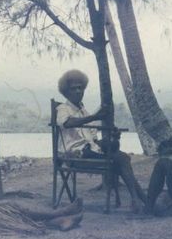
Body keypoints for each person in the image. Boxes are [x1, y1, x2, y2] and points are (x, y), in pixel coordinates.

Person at [56, 69, 146, 213]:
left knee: (121, 158)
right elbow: (67, 123)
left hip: (89, 150)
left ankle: (138, 199)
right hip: (75, 154)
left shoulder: (83, 110)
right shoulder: (63, 108)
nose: (79, 91)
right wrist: (94, 117)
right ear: (66, 92)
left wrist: (113, 137)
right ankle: (140, 200)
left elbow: (92, 138)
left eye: (81, 88)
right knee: (121, 160)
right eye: (74, 88)